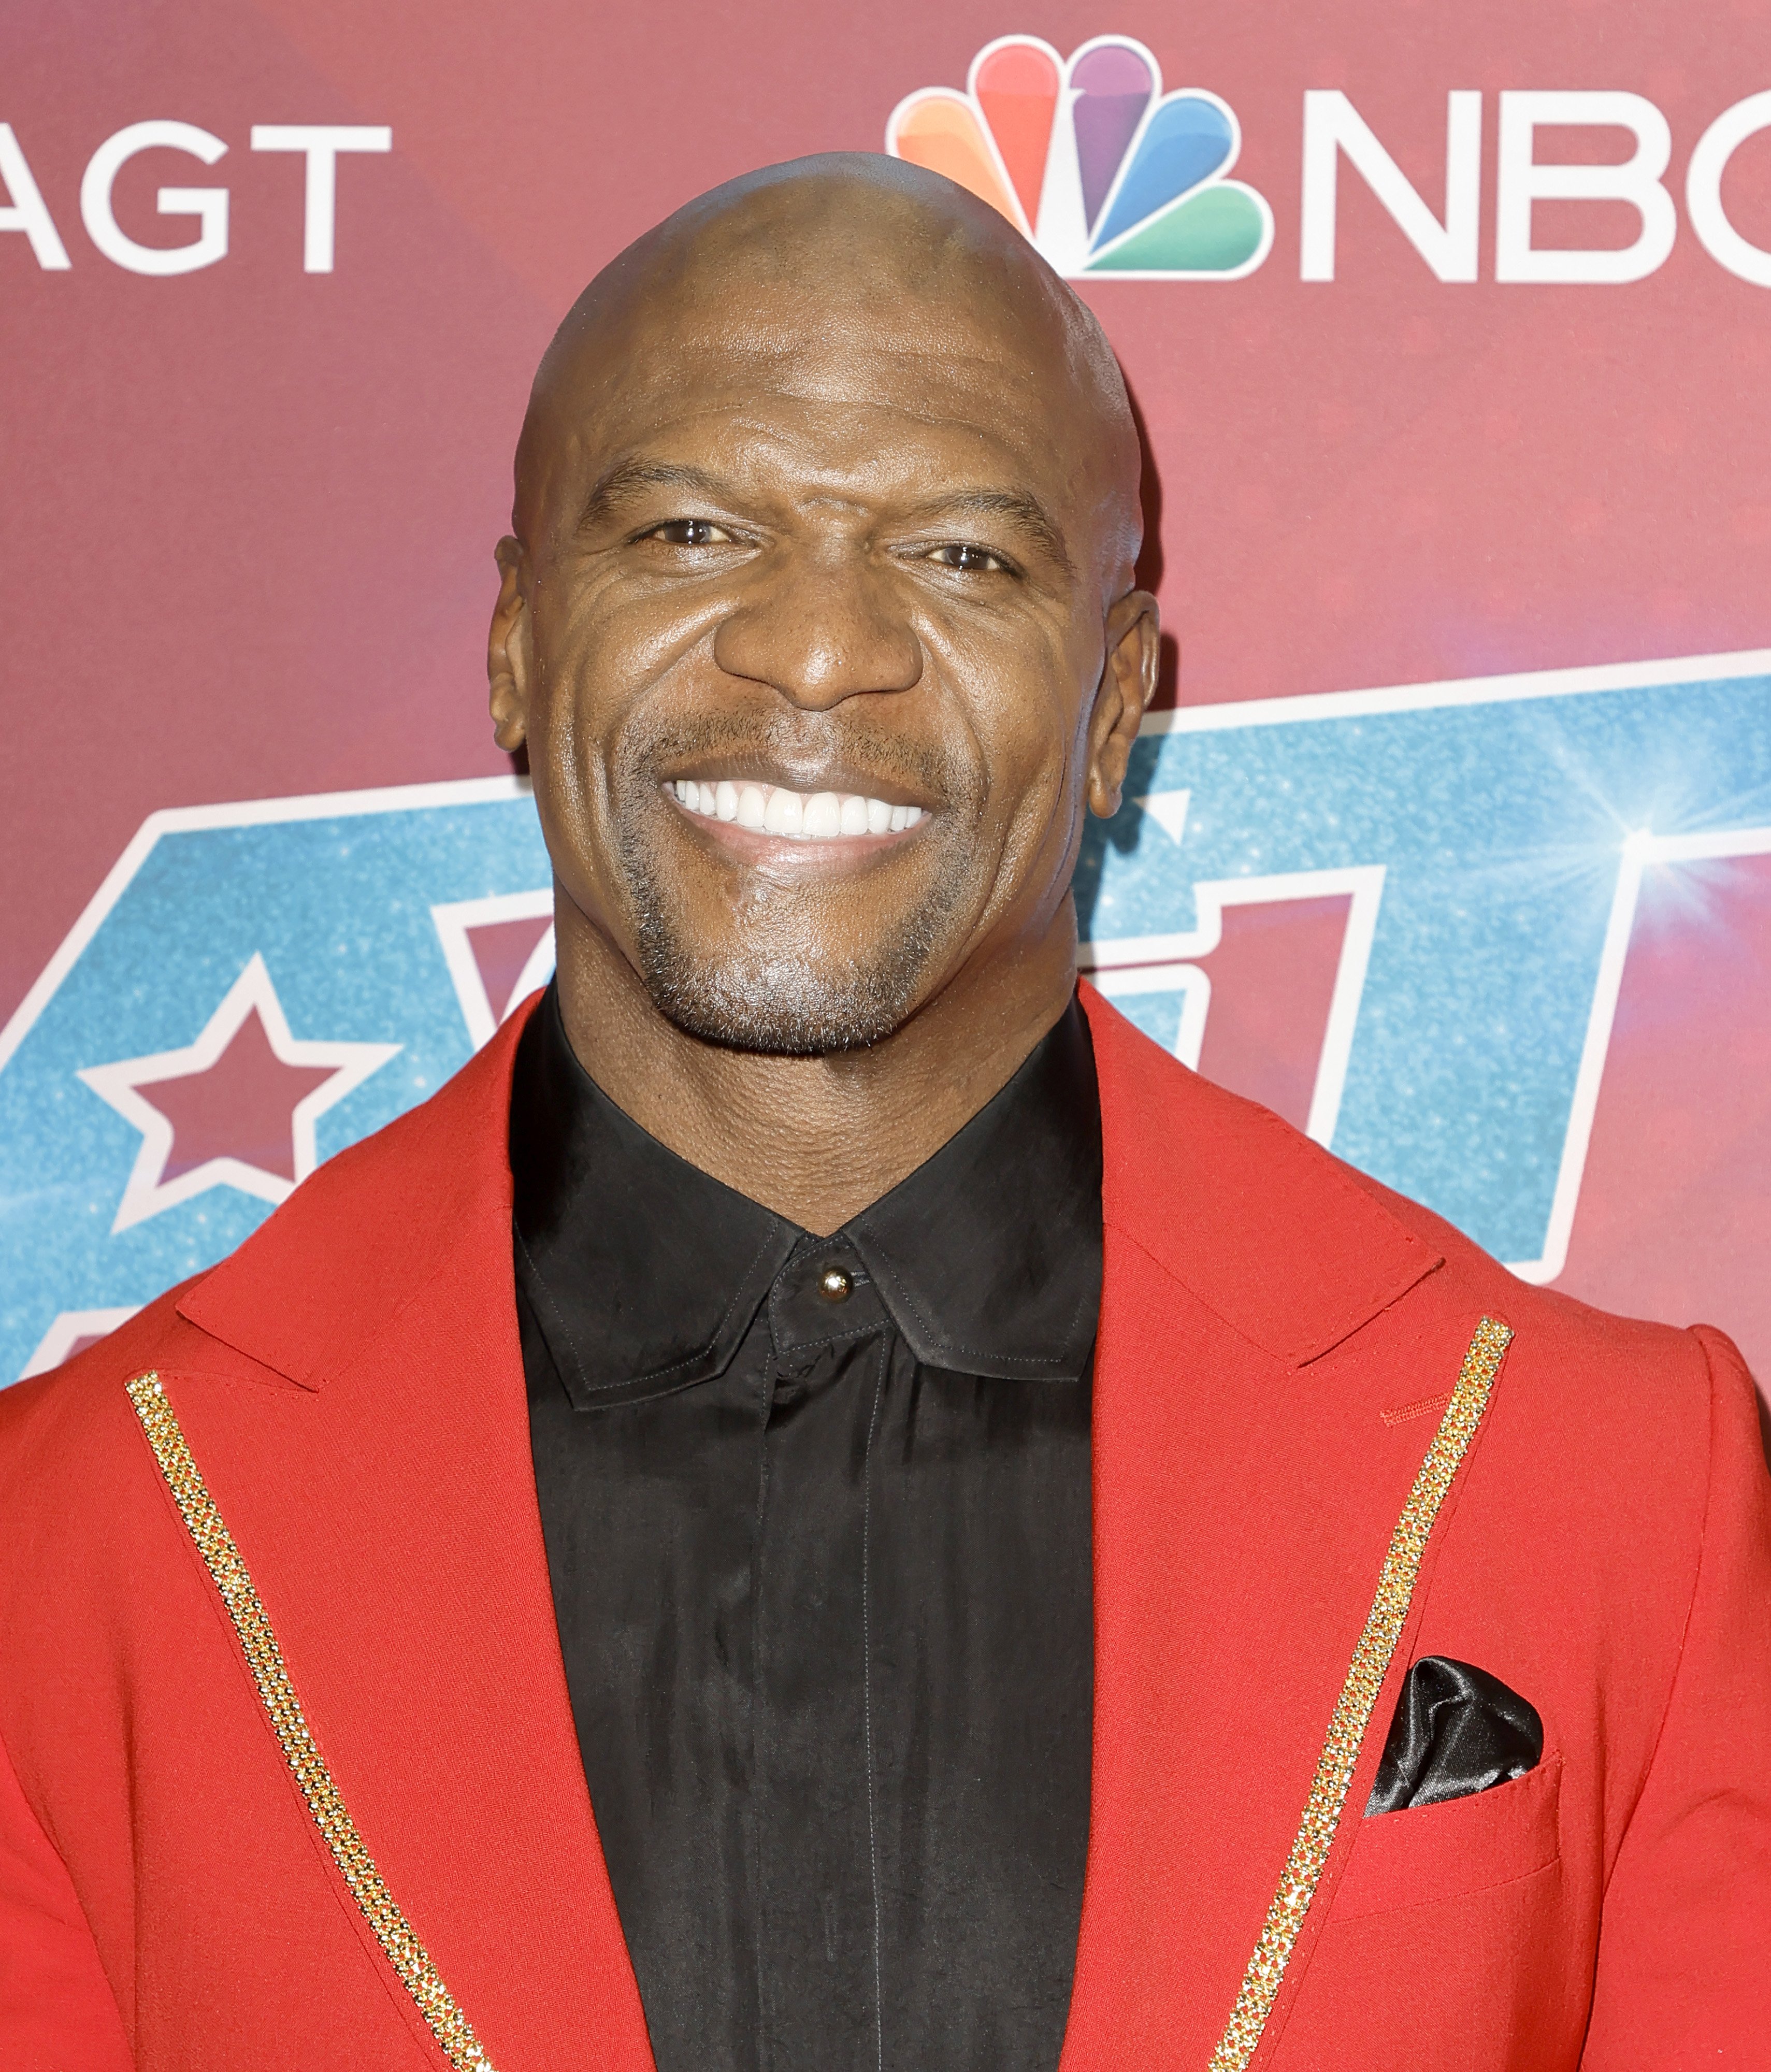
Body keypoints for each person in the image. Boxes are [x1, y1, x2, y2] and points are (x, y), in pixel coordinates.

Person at [1, 154, 1766, 2072]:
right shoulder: (64, 1541)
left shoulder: (1610, 1487)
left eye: (961, 555)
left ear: (1116, 706)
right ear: (517, 642)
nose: (818, 646)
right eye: (687, 531)